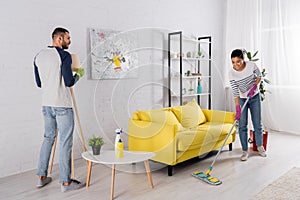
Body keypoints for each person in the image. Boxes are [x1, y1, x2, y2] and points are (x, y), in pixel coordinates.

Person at [34, 27, 85, 192]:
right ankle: (66, 183)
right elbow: (69, 82)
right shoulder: (64, 55)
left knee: (48, 138)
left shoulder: (39, 56)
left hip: (46, 104)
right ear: (59, 39)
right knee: (65, 142)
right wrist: (79, 75)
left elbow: (39, 83)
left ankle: (41, 177)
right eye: (68, 38)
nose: (70, 41)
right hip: (62, 104)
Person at [229, 49, 266, 161]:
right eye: (233, 62)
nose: (236, 65)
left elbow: (259, 76)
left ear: (243, 59)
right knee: (242, 125)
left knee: (257, 123)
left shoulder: (251, 65)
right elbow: (235, 92)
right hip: (242, 99)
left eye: (238, 61)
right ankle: (245, 151)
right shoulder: (231, 73)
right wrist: (237, 108)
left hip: (254, 97)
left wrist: (254, 87)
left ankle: (260, 146)